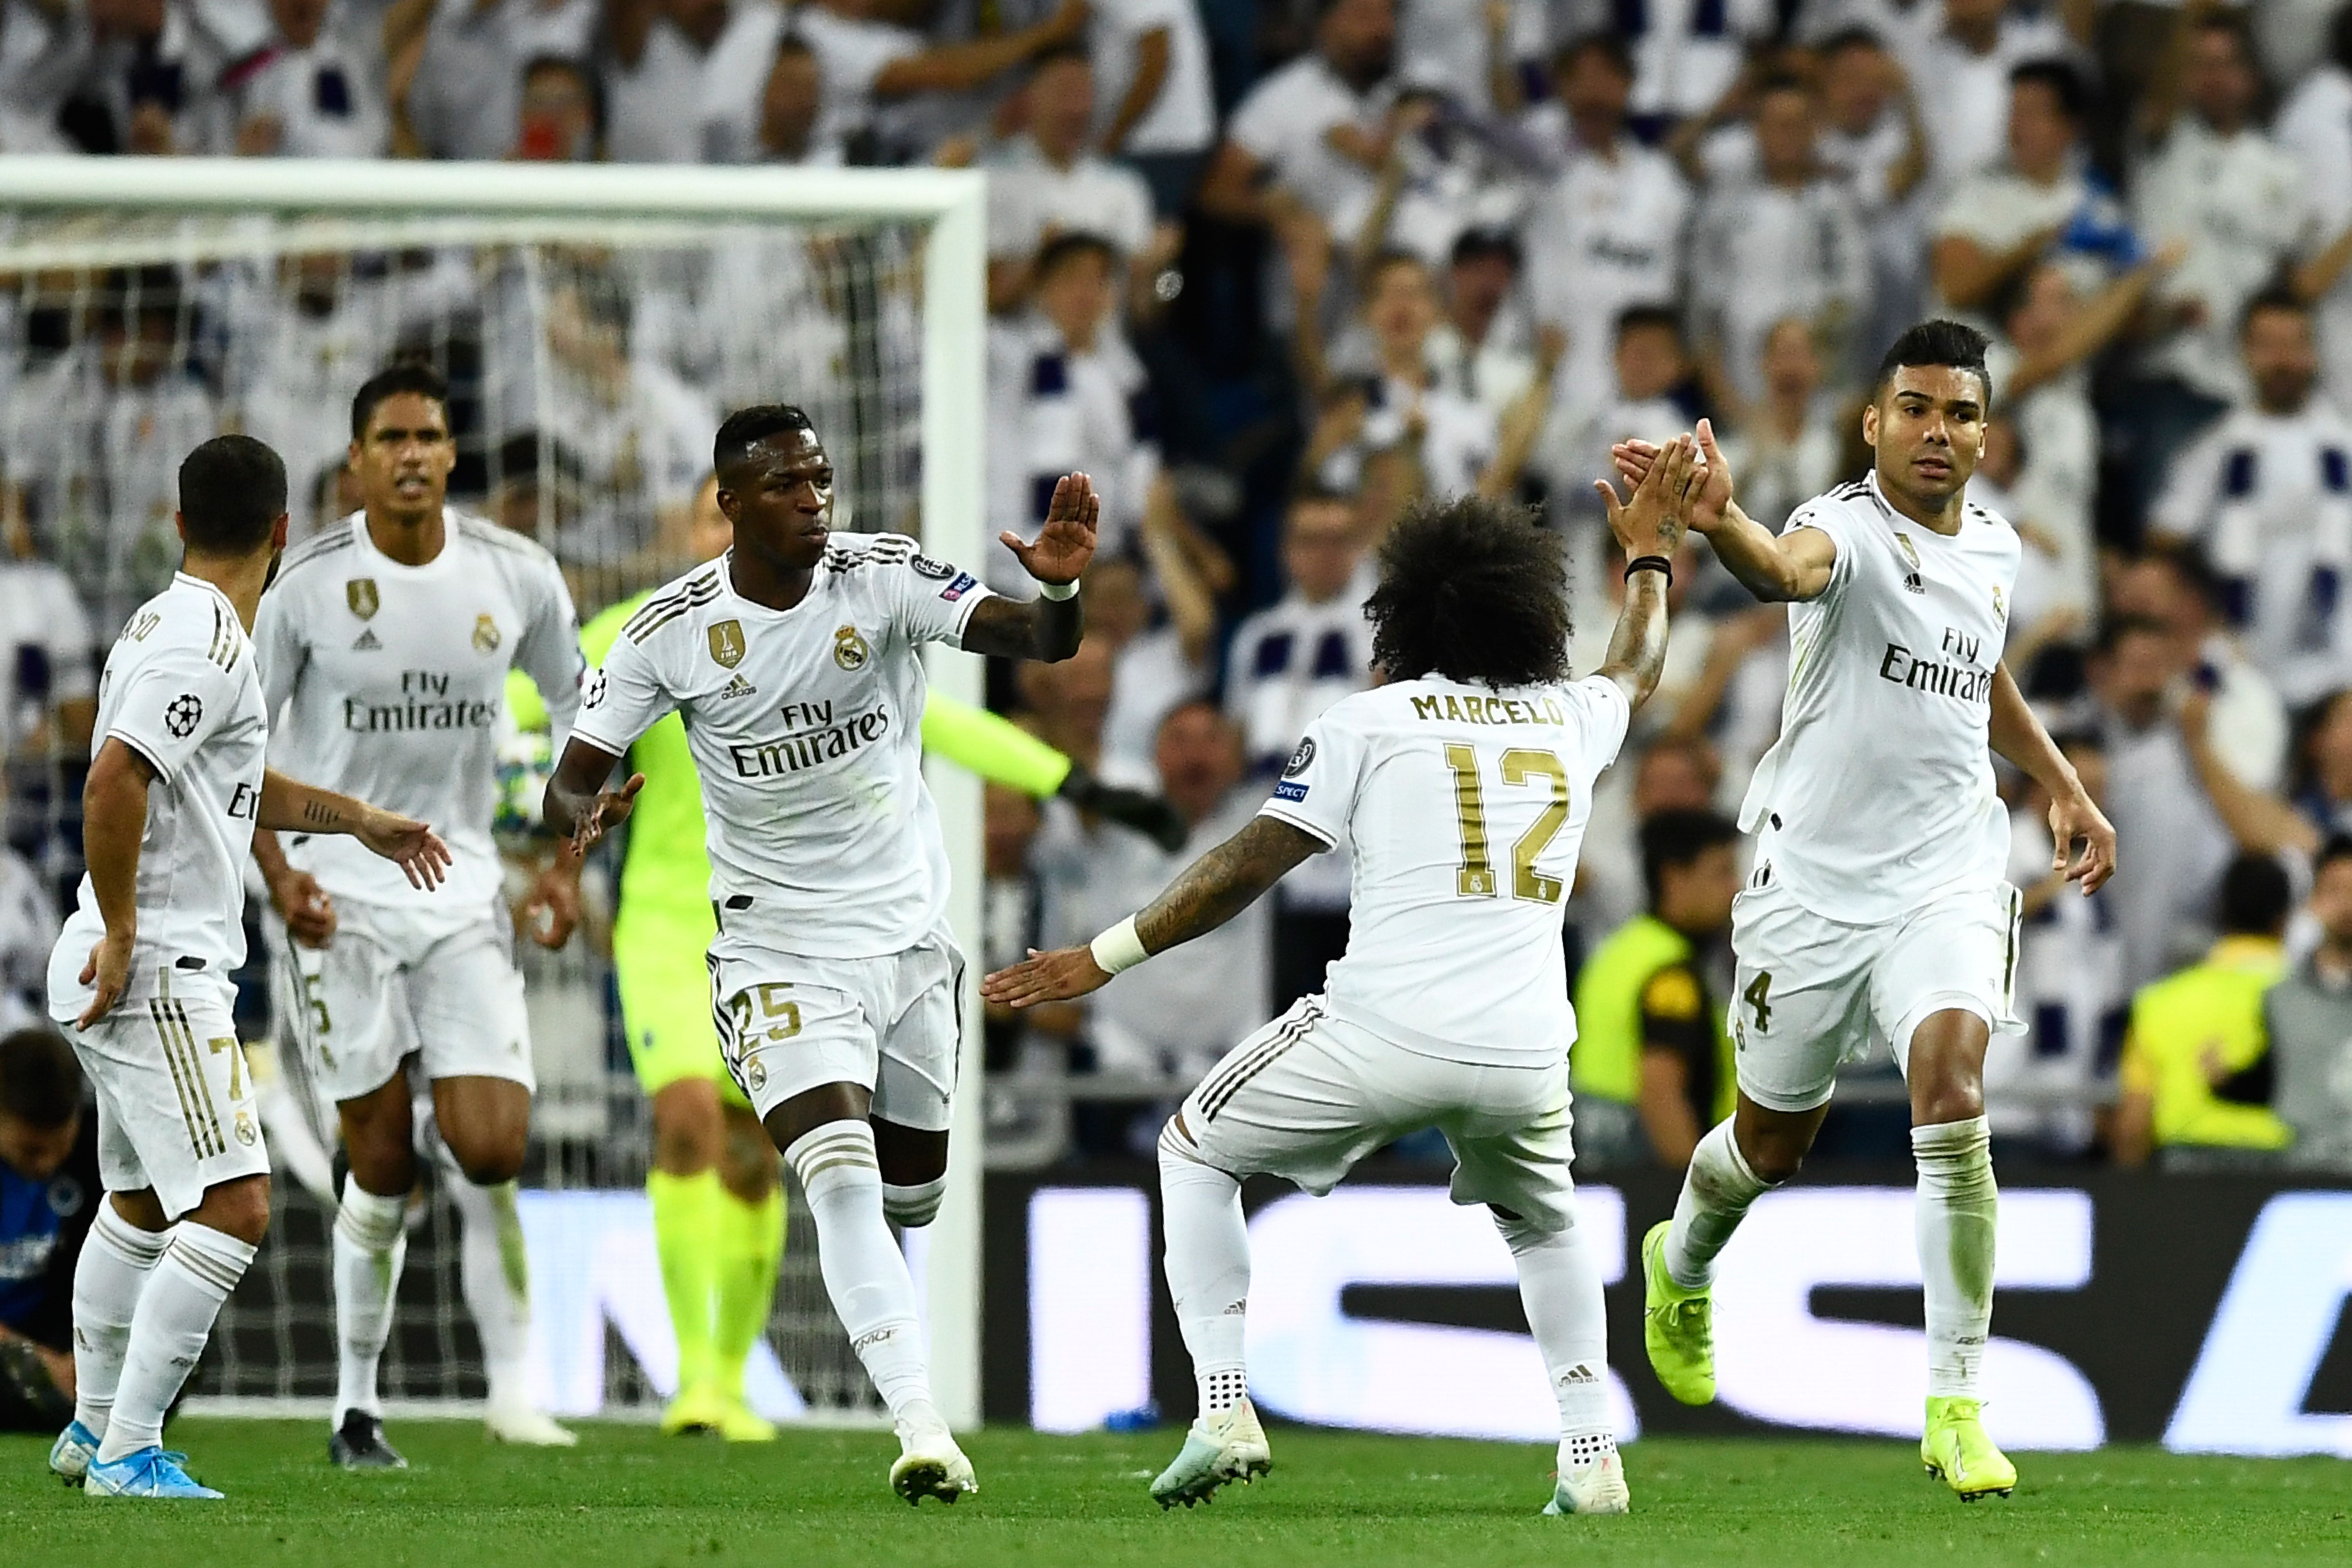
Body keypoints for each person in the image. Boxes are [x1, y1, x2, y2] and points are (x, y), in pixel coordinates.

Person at [985, 443, 1701, 1514]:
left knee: (1193, 1147)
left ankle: (1224, 1407)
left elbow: (1244, 867)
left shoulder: (1366, 722)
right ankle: (1591, 1453)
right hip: (1521, 1052)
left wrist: (1102, 954)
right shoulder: (1570, 719)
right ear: (1529, 617)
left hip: (1382, 1034)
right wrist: (1649, 557)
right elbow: (1634, 668)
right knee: (1544, 1228)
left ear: (1402, 618)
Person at [520, 471, 1174, 1440]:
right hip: (672, 923)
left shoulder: (848, 601)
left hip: (823, 931)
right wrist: (536, 810)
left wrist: (1074, 782)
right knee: (689, 1120)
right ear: (702, 520)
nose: (715, 525)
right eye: (702, 509)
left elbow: (946, 724)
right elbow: (529, 707)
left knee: (760, 1152)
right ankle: (694, 1380)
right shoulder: (643, 627)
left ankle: (731, 1378)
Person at [1609, 320, 2117, 1502]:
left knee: (1954, 1092)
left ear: (1987, 436)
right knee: (1770, 1145)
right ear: (1873, 423)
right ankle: (1680, 1263)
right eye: (1918, 409)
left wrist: (2063, 782)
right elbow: (1782, 571)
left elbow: (1980, 668)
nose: (1938, 432)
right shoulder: (1844, 525)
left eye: (1961, 413)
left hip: (1945, 870)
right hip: (1814, 886)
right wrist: (1721, 519)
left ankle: (1954, 1403)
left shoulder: (1993, 546)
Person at [46, 434, 449, 1500]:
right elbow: (114, 785)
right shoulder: (207, 643)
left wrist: (353, 817)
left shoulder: (171, 623)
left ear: (179, 524)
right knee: (235, 1207)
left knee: (135, 1206)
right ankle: (130, 1449)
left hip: (130, 959)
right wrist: (127, 929)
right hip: (155, 969)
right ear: (283, 532)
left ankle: (91, 1429)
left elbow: (216, 775)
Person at [249, 364, 586, 1467]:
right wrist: (278, 877)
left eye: (428, 435)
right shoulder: (302, 588)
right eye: (388, 436)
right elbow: (235, 759)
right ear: (356, 459)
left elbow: (592, 735)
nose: (409, 453)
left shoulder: (518, 576)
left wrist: (568, 870)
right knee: (383, 1166)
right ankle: (355, 1404)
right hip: (335, 898)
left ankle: (517, 1389)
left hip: (461, 890)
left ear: (451, 454)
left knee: (493, 1146)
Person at [2149, 290, 2352, 708]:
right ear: (2245, 353)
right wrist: (2208, 606)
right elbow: (2166, 535)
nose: (2283, 360)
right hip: (2244, 653)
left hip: (2340, 655)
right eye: (2269, 346)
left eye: (2294, 345)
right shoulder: (2215, 449)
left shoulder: (2345, 445)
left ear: (2314, 353)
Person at [1573, 809, 1743, 1169]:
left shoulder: (1618, 953)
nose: (1735, 888)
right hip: (1650, 1173)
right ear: (1674, 878)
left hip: (1599, 1161)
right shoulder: (1671, 975)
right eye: (1722, 872)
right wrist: (1702, 1197)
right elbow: (1661, 1094)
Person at [2111, 853, 2294, 1169]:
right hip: (2292, 1170)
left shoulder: (2159, 1002)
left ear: (2220, 912)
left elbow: (2134, 1125)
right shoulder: (2312, 1002)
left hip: (2186, 1176)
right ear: (2285, 918)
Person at [0, 1026, 95, 1433]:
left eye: (59, 1147)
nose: (46, 1164)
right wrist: (38, 1360)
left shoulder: (99, 1151)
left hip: (59, 1335)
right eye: (32, 1151)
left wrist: (89, 1355)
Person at [2262, 832, 2352, 1173]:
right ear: (2313, 901)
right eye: (2336, 891)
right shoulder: (2277, 997)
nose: (2347, 905)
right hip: (2301, 1176)